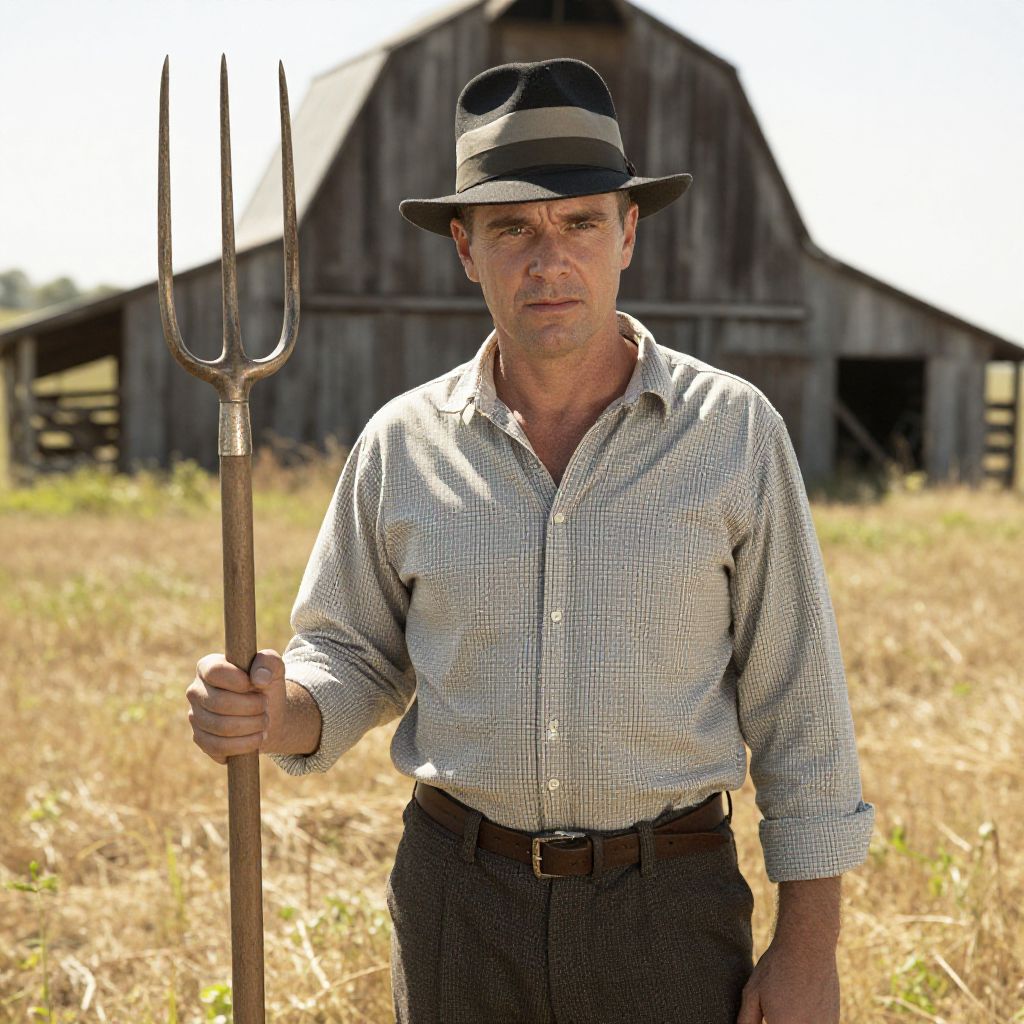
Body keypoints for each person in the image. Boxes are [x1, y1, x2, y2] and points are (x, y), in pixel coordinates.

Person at [186, 58, 875, 1024]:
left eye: (581, 222)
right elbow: (351, 657)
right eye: (512, 228)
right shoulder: (403, 443)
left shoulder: (732, 432)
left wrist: (809, 949)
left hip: (668, 911)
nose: (549, 260)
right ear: (465, 248)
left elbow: (798, 707)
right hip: (460, 907)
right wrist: (280, 708)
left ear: (627, 232)